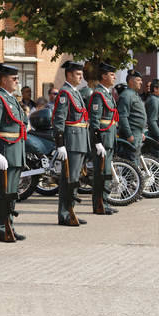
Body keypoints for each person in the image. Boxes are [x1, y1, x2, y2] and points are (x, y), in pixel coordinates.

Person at [0, 63, 28, 242]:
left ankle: (9, 225)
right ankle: (0, 228)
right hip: (5, 150)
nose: (17, 81)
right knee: (3, 192)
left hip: (16, 149)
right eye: (14, 78)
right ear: (3, 80)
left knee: (12, 192)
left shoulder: (12, 99)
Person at [53, 61, 90, 227]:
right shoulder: (65, 93)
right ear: (69, 75)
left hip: (80, 139)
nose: (81, 76)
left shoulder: (74, 92)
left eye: (81, 74)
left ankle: (71, 210)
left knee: (75, 179)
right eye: (77, 74)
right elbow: (59, 119)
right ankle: (65, 213)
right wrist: (60, 143)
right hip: (72, 140)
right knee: (69, 178)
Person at [88, 63, 119, 215]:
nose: (114, 77)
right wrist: (97, 141)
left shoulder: (107, 93)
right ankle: (99, 204)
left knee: (106, 172)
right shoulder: (98, 94)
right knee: (101, 172)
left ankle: (104, 202)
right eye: (112, 74)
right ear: (104, 76)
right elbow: (95, 120)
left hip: (110, 137)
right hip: (103, 139)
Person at [116, 70, 147, 167]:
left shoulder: (134, 94)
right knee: (130, 162)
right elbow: (123, 117)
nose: (141, 82)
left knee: (135, 160)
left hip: (137, 133)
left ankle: (134, 181)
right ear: (130, 81)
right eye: (138, 80)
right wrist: (129, 134)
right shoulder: (126, 95)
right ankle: (131, 182)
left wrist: (141, 131)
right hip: (131, 133)